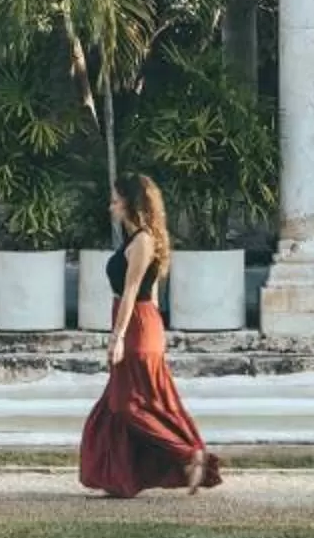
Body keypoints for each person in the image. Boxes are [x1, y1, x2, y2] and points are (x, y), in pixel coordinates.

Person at [79, 174, 224, 497]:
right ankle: (122, 479)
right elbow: (149, 293)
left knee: (127, 404)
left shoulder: (143, 241)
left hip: (137, 326)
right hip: (141, 323)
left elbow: (133, 291)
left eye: (116, 201)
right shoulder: (135, 239)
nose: (111, 207)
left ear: (130, 203)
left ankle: (189, 453)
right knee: (126, 403)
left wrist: (118, 337)